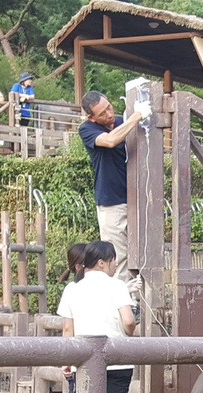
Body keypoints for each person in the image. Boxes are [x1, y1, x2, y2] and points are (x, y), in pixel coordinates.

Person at [56, 240, 137, 393]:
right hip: (117, 361)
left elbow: (68, 328)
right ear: (101, 262)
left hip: (83, 361)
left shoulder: (72, 289)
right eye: (112, 261)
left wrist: (67, 360)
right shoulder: (117, 286)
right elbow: (129, 322)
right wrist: (127, 332)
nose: (114, 266)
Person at [78, 90, 151, 282]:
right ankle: (122, 309)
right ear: (91, 118)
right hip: (111, 202)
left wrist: (134, 118)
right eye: (102, 113)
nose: (109, 114)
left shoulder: (122, 121)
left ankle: (140, 303)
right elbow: (110, 141)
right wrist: (136, 116)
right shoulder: (87, 129)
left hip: (136, 198)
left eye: (109, 107)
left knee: (144, 253)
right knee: (116, 258)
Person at [57, 243, 87, 393]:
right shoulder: (75, 289)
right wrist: (67, 359)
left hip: (77, 357)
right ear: (79, 266)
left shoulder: (74, 289)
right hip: (79, 358)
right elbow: (68, 328)